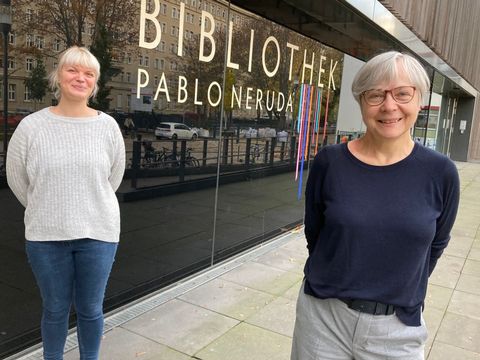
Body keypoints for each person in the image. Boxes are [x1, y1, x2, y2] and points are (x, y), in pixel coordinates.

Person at [291, 51, 459, 360]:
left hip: (398, 329)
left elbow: (435, 245)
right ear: (360, 101)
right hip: (324, 320)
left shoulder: (441, 173)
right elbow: (315, 233)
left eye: (402, 93)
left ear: (419, 99)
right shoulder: (330, 162)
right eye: (376, 95)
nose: (389, 106)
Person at [6, 46, 125, 360]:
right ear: (58, 75)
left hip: (98, 234)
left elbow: (112, 179)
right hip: (46, 237)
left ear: (95, 83)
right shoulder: (31, 127)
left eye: (89, 73)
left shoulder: (108, 128)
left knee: (90, 309)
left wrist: (87, 202)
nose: (80, 78)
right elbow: (17, 179)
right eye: (73, 70)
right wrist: (46, 206)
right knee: (55, 309)